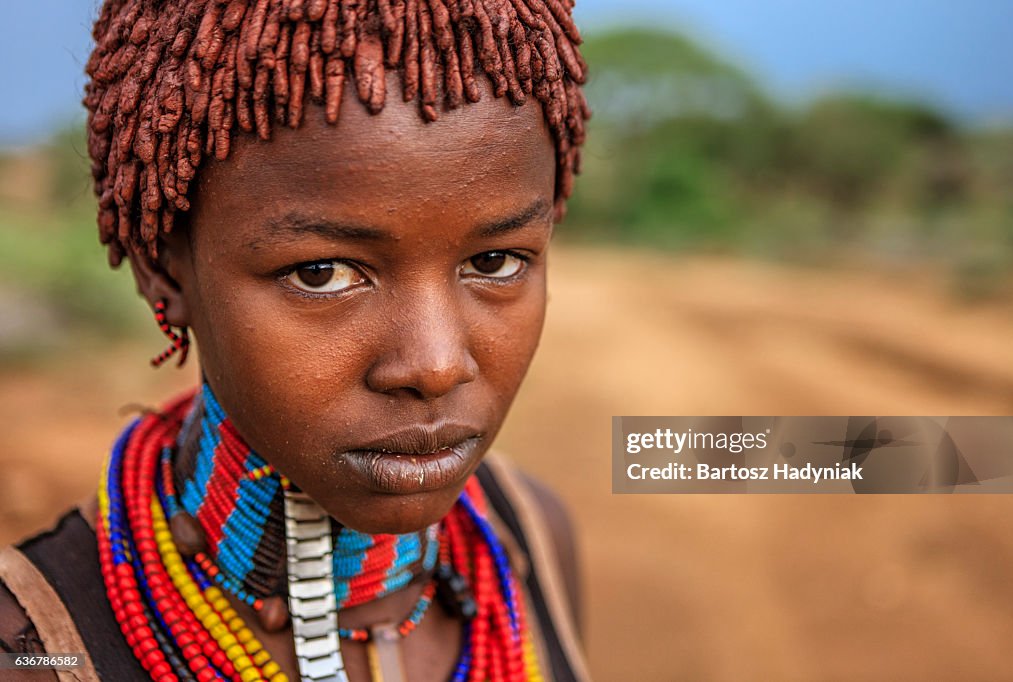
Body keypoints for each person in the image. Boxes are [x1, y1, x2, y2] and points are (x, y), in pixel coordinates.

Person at [0, 1, 590, 681]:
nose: (433, 366)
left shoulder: (531, 545)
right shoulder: (36, 650)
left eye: (495, 262)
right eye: (322, 273)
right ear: (164, 267)